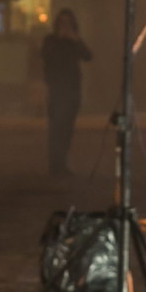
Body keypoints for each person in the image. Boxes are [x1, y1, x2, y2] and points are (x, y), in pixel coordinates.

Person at [39, 10, 92, 180]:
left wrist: (75, 40)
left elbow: (88, 56)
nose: (65, 26)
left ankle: (62, 163)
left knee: (67, 129)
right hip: (56, 89)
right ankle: (54, 165)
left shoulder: (74, 40)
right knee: (56, 128)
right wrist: (61, 41)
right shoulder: (51, 40)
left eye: (68, 23)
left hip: (72, 89)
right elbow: (47, 57)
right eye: (62, 23)